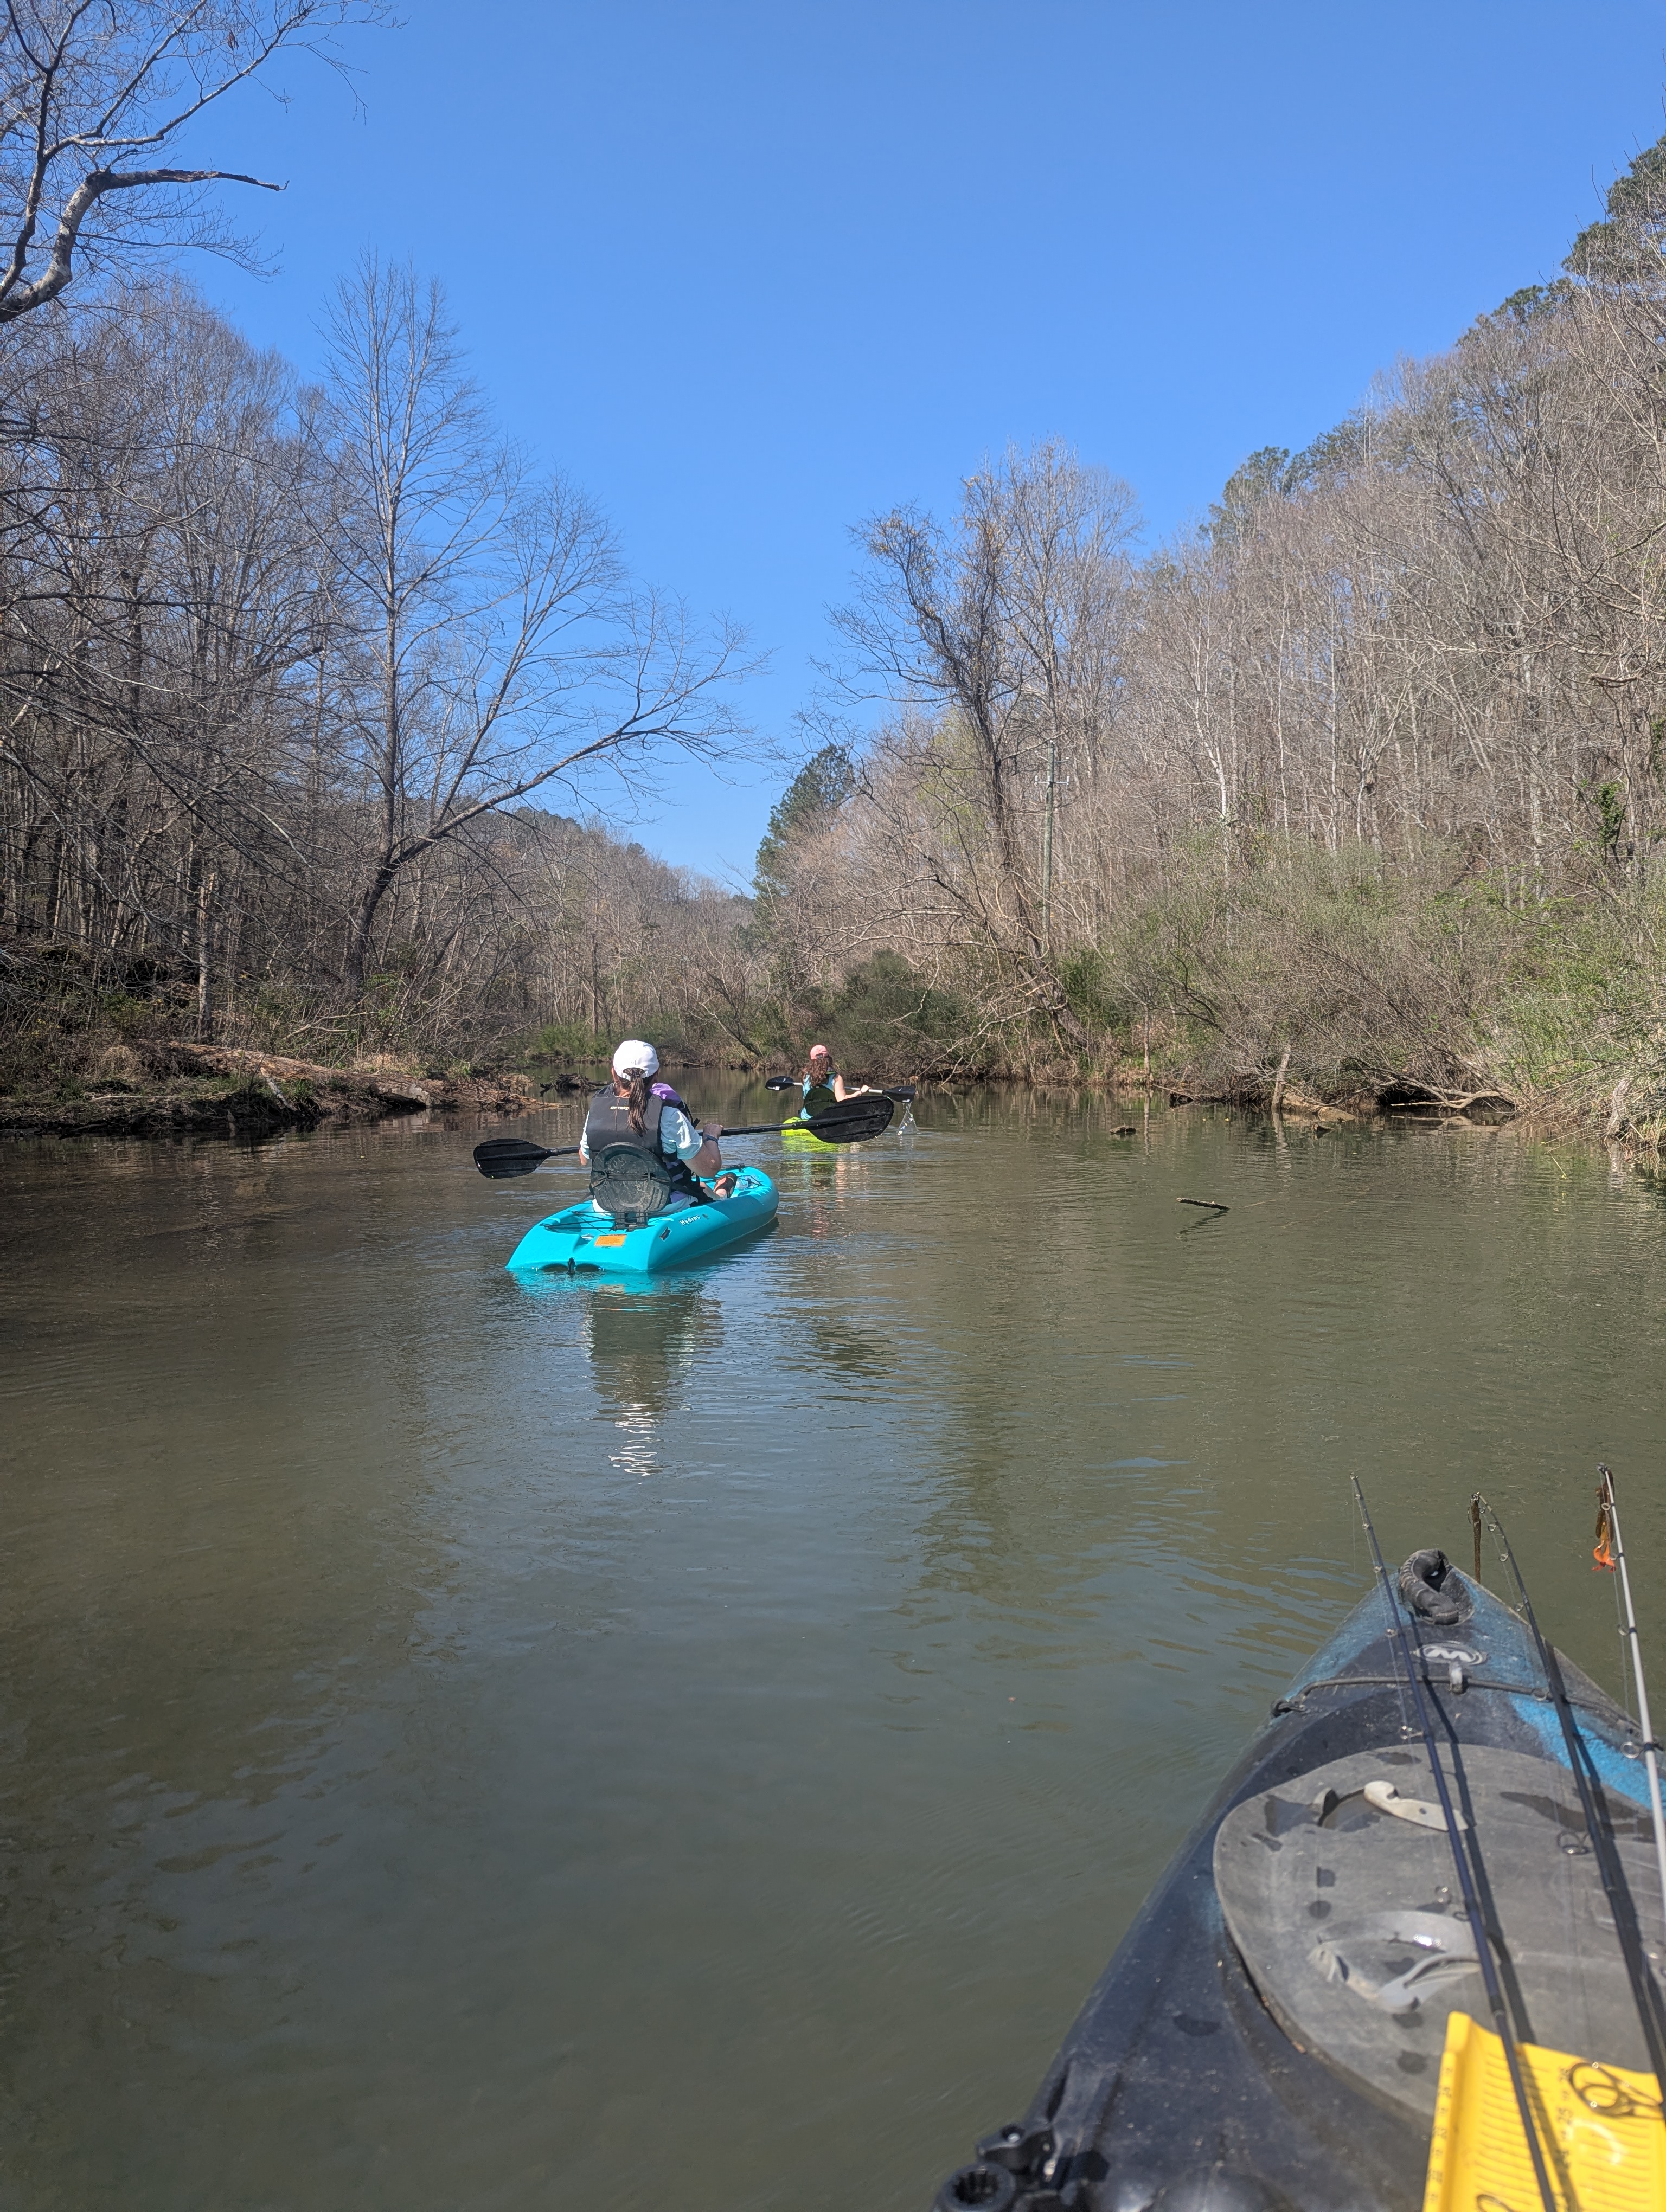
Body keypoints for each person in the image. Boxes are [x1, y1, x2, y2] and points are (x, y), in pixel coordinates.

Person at [580, 1041, 738, 1208]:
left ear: (614, 1074)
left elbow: (584, 1159)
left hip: (606, 1206)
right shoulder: (670, 1117)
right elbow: (708, 1170)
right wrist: (710, 1137)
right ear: (656, 1075)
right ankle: (722, 1193)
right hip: (666, 1206)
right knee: (705, 1188)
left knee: (702, 1187)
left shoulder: (596, 1113)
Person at [797, 1043, 875, 1121]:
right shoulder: (836, 1078)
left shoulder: (805, 1076)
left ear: (812, 1061)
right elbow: (843, 1100)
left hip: (806, 1118)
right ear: (829, 1059)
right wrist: (860, 1092)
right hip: (827, 1118)